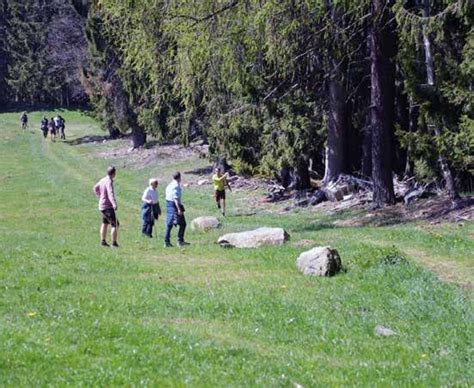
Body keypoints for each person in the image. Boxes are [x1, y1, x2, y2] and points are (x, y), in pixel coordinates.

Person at [93, 166, 119, 247]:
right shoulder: (109, 181)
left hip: (102, 206)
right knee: (115, 224)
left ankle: (103, 242)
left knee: (105, 223)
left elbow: (95, 188)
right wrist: (114, 204)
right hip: (108, 206)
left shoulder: (103, 179)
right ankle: (114, 244)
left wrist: (100, 197)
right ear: (114, 173)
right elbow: (110, 193)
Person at [164, 172, 189, 248]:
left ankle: (167, 241)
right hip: (174, 206)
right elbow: (176, 198)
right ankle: (180, 241)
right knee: (183, 224)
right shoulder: (176, 186)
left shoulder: (170, 185)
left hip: (169, 204)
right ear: (179, 177)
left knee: (169, 224)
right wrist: (179, 209)